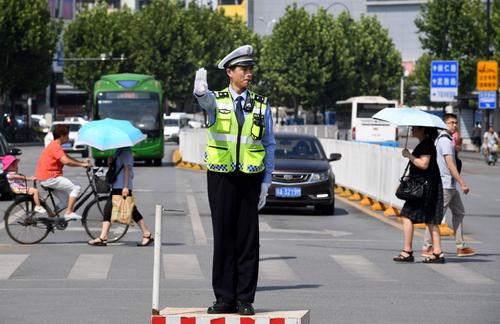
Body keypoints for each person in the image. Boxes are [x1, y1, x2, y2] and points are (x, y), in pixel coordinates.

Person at [193, 45, 276, 316]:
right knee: (224, 236)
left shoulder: (262, 105)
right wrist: (200, 93)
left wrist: (267, 179)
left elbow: (269, 143)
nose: (249, 74)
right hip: (221, 177)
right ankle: (224, 297)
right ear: (230, 72)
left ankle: (244, 299)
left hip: (251, 177)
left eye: (251, 69)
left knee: (248, 239)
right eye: (243, 69)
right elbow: (205, 103)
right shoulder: (216, 100)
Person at [422, 114, 475, 257]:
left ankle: (460, 246)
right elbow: (450, 164)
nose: (455, 125)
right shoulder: (445, 141)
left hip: (449, 186)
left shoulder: (444, 139)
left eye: (456, 122)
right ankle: (427, 247)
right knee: (435, 217)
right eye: (451, 123)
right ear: (444, 124)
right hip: (445, 185)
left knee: (459, 212)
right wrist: (462, 183)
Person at [394, 126, 444, 264]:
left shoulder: (426, 145)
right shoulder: (426, 143)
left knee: (406, 215)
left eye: (415, 128)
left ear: (423, 130)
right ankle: (438, 252)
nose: (412, 130)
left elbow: (424, 164)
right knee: (431, 219)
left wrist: (408, 155)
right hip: (429, 186)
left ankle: (407, 251)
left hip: (424, 189)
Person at [88, 146, 153, 247]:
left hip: (122, 186)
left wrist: (126, 187)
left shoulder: (126, 151)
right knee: (129, 211)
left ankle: (103, 237)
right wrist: (110, 162)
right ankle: (146, 233)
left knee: (112, 210)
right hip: (117, 185)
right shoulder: (119, 150)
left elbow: (127, 169)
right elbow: (117, 168)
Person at [35, 124, 90, 221]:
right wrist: (82, 165)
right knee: (76, 188)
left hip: (47, 177)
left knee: (66, 201)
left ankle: (51, 217)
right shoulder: (55, 146)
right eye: (67, 135)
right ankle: (68, 213)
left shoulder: (55, 145)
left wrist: (82, 162)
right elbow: (66, 161)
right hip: (50, 178)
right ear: (61, 136)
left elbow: (67, 157)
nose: (68, 138)